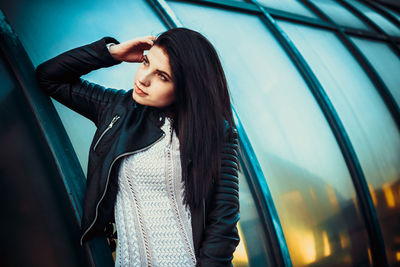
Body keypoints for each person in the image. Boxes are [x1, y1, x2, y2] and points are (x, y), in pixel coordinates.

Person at [35, 27, 240, 267]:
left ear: (187, 87)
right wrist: (112, 53)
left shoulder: (215, 132)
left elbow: (224, 220)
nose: (143, 79)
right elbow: (49, 77)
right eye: (145, 63)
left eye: (162, 76)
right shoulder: (118, 109)